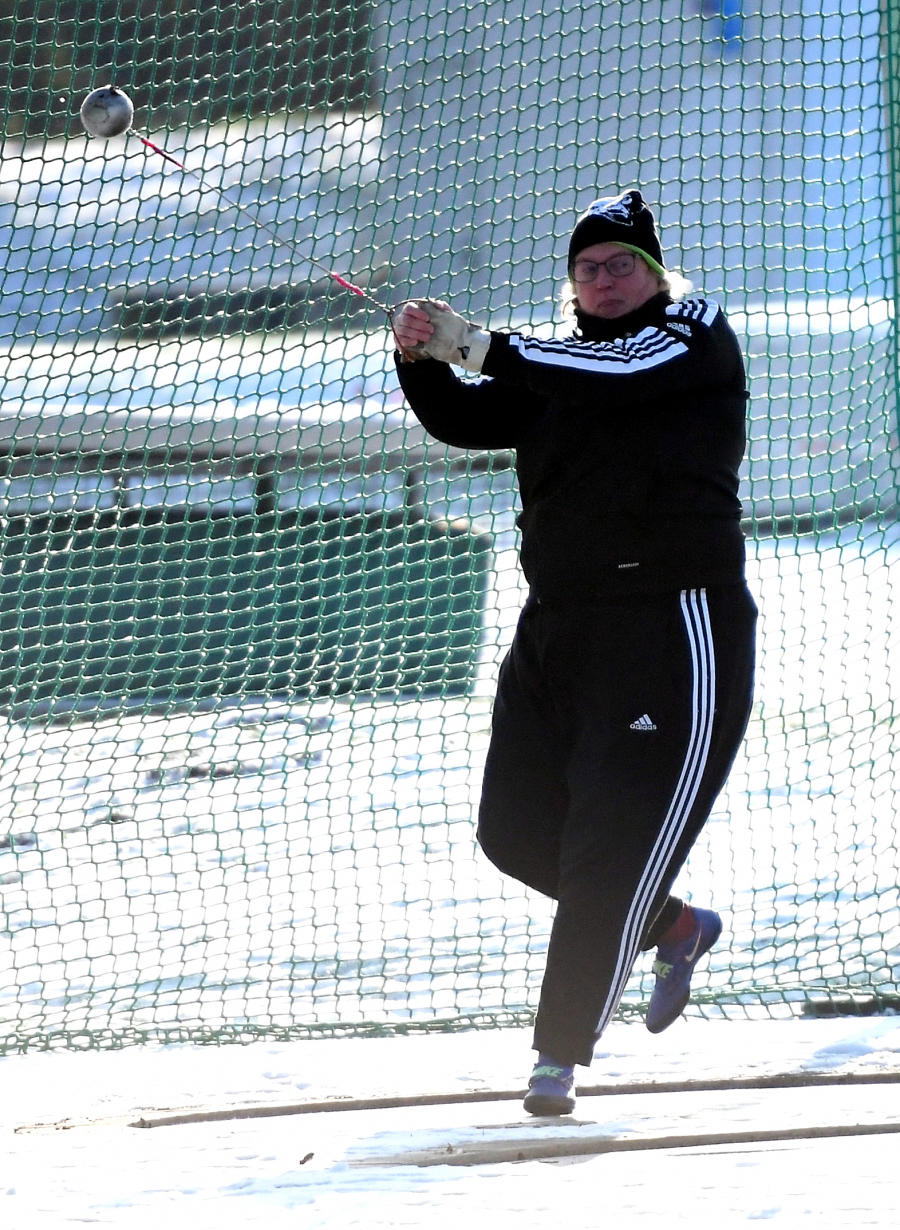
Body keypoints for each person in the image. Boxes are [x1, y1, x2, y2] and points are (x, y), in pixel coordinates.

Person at [390, 190, 756, 1116]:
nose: (602, 280)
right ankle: (674, 925)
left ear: (655, 272)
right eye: (587, 269)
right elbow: (471, 420)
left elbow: (621, 377)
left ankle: (557, 1058)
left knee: (608, 850)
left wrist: (471, 342)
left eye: (620, 264)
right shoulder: (560, 361)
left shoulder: (688, 334)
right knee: (514, 832)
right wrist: (421, 365)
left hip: (671, 626)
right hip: (557, 625)